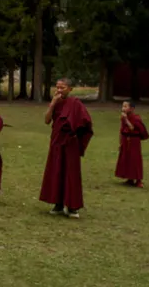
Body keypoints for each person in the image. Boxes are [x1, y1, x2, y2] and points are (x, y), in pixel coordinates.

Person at [40, 77, 93, 219]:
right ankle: (57, 203)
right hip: (57, 141)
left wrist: (77, 135)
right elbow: (47, 120)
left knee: (71, 173)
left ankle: (72, 207)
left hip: (70, 142)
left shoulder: (75, 103)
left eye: (62, 88)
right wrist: (52, 103)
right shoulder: (56, 103)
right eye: (57, 87)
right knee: (56, 170)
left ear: (70, 89)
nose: (59, 90)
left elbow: (86, 122)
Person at [115, 101, 149, 188]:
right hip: (125, 140)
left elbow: (132, 128)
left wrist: (126, 119)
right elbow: (121, 129)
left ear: (132, 109)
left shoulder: (136, 118)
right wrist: (120, 143)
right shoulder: (123, 118)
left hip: (134, 141)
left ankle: (138, 180)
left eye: (125, 106)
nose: (123, 108)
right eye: (123, 106)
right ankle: (130, 178)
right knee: (126, 158)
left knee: (134, 159)